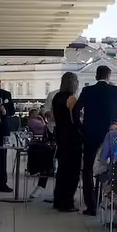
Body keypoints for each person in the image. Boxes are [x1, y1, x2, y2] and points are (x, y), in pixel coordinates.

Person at [73, 65, 117, 216]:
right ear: (109, 76)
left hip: (90, 134)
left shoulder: (87, 91)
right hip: (111, 135)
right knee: (115, 166)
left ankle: (91, 206)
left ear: (96, 76)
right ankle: (115, 202)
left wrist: (81, 127)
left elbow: (76, 110)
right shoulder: (115, 90)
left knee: (87, 169)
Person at [47, 72, 81, 209]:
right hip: (72, 138)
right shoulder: (72, 98)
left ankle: (58, 200)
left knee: (62, 171)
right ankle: (67, 202)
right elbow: (75, 120)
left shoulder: (56, 97)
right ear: (74, 83)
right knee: (72, 172)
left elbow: (54, 117)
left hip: (60, 135)